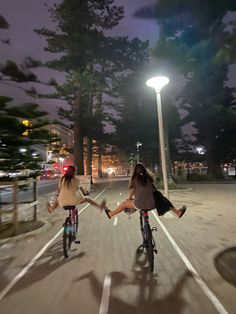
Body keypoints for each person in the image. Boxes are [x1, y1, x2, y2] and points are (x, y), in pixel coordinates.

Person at [102, 162, 186, 219]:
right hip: (152, 204)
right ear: (144, 170)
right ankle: (177, 213)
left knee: (124, 204)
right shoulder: (149, 178)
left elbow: (132, 191)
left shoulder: (134, 179)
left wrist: (129, 198)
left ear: (135, 171)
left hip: (139, 204)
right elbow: (153, 190)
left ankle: (111, 214)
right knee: (163, 199)